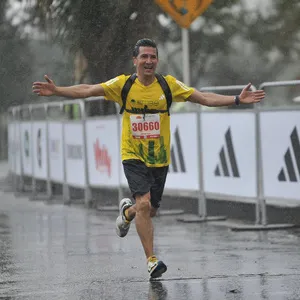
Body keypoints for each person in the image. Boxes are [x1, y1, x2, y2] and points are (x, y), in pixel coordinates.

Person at [32, 38, 265, 279]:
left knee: (149, 210)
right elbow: (89, 89)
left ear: (157, 60)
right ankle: (152, 260)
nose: (149, 61)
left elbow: (203, 97)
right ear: (135, 60)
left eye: (153, 57)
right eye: (144, 57)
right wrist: (58, 91)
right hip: (132, 154)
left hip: (159, 158)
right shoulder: (123, 85)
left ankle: (127, 213)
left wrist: (236, 99)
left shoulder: (168, 85)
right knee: (144, 203)